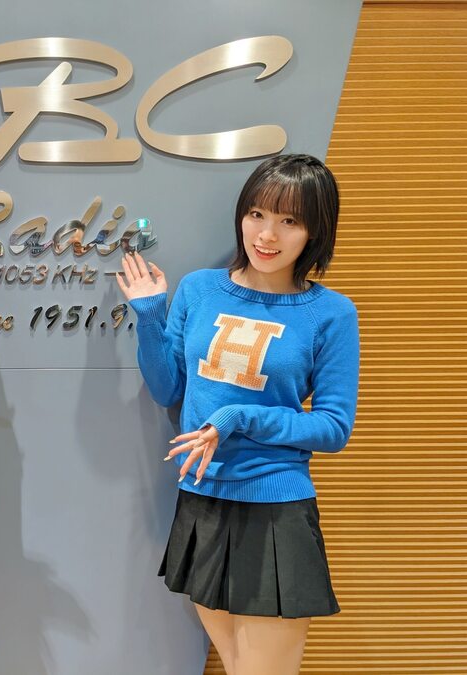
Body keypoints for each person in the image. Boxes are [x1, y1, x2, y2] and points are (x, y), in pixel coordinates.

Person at [117, 154, 359, 675]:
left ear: (314, 231)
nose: (267, 235)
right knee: (237, 665)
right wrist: (150, 314)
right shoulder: (200, 289)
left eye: (289, 220)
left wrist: (238, 418)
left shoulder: (331, 313)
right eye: (257, 214)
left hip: (274, 507)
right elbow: (167, 389)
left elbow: (334, 427)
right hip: (202, 497)